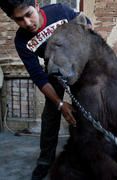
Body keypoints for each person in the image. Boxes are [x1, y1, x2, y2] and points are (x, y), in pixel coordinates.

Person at [0, 0, 91, 179]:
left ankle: (89, 156)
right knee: (50, 116)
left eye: (28, 14)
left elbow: (86, 22)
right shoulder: (21, 41)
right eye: (19, 19)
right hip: (54, 68)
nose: (27, 23)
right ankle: (45, 161)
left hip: (79, 62)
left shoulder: (59, 11)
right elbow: (38, 76)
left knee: (88, 109)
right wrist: (59, 104)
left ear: (37, 5)